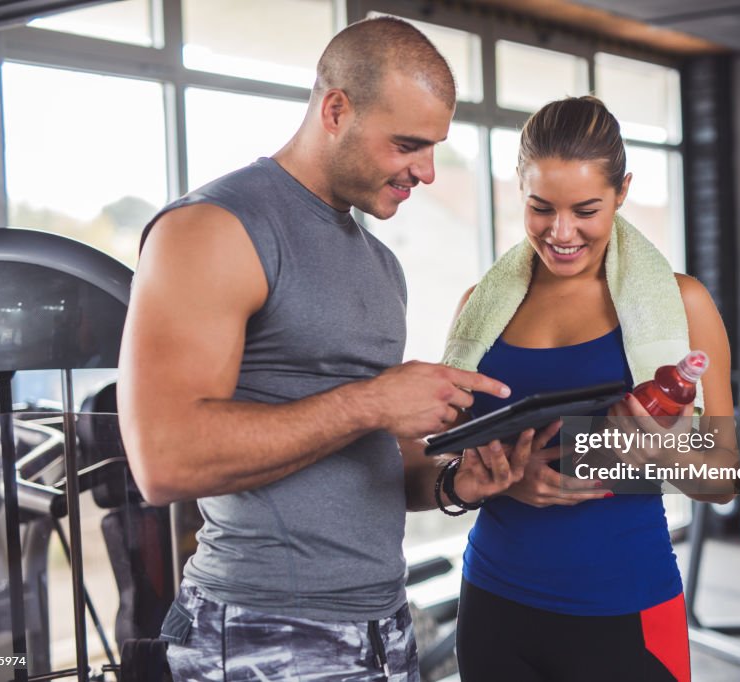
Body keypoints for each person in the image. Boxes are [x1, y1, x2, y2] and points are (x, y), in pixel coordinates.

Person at [117, 17, 551, 681]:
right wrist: (372, 400)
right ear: (336, 109)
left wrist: (454, 481)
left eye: (434, 147)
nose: (427, 172)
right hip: (261, 629)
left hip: (383, 626)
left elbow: (369, 458)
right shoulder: (213, 229)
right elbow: (163, 458)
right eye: (408, 144)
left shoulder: (381, 265)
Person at [443, 96, 738, 681]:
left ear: (622, 191)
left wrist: (665, 451)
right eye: (540, 208)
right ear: (519, 191)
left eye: (585, 209)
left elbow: (724, 478)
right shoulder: (480, 307)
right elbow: (451, 447)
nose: (561, 232)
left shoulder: (682, 304)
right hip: (493, 601)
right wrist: (507, 476)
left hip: (623, 605)